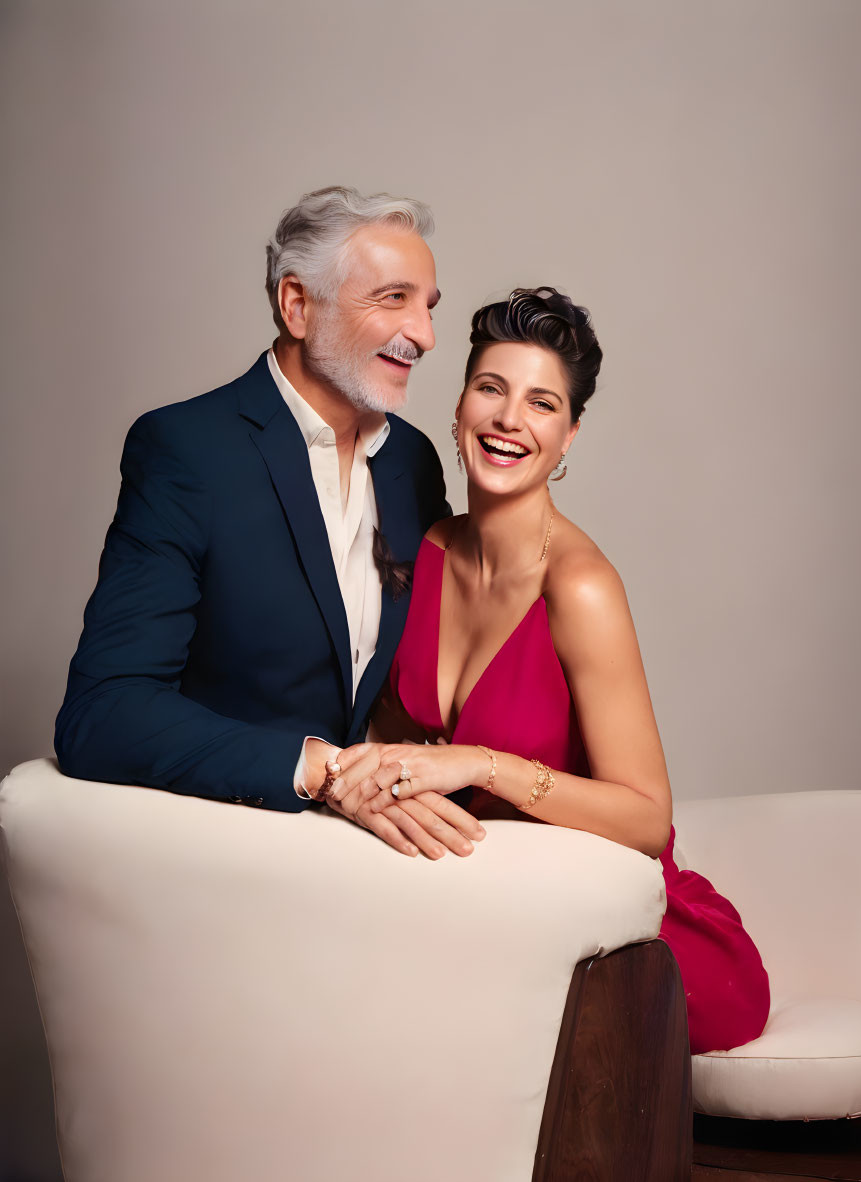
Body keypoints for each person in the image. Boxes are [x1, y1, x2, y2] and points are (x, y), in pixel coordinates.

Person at [320, 287, 770, 1054]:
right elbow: (390, 747)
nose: (507, 420)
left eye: (540, 404)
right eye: (490, 389)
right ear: (459, 407)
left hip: (624, 940)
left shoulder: (581, 586)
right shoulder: (419, 557)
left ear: (569, 437)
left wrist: (484, 766)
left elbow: (644, 818)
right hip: (482, 907)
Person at [54, 186, 485, 861]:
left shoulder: (412, 462)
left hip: (377, 862)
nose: (425, 336)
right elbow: (102, 713)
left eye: (427, 308)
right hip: (228, 859)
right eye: (392, 299)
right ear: (296, 305)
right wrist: (325, 771)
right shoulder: (186, 450)